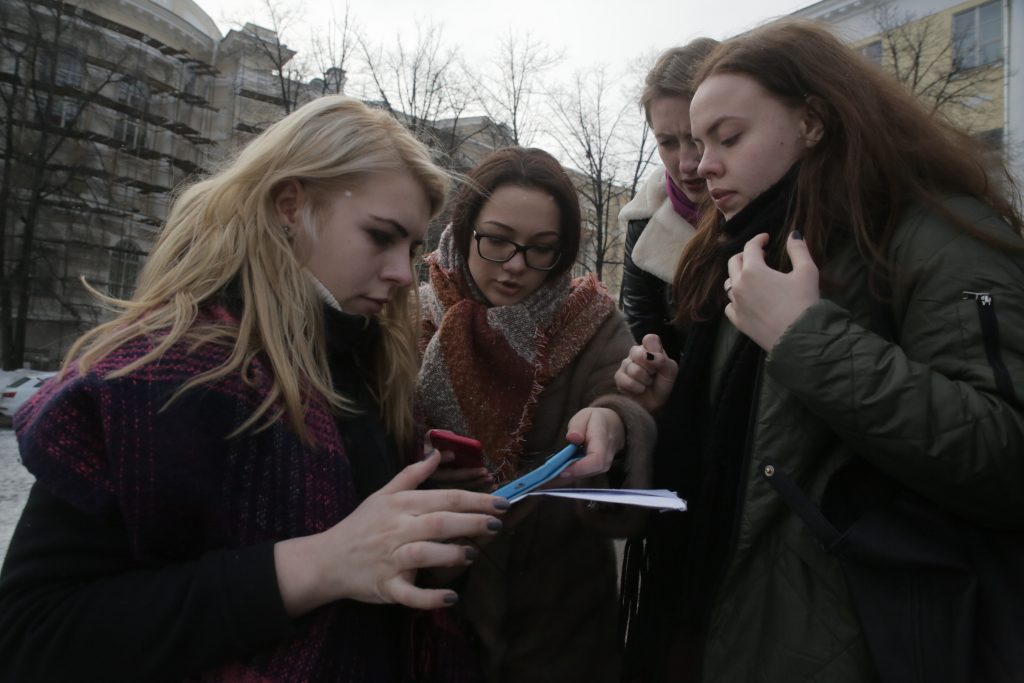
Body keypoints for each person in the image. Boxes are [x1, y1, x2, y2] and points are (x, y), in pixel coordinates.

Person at [0, 95, 511, 682]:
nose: (402, 272)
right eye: (380, 236)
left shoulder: (371, 369)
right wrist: (319, 564)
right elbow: (32, 635)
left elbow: (369, 590)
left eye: (413, 248)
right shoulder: (155, 375)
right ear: (290, 205)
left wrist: (422, 537)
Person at [615, 20, 1024, 682]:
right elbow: (754, 444)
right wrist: (673, 398)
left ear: (811, 122)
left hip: (867, 636)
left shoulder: (938, 232)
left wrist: (805, 337)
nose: (700, 164)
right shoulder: (751, 247)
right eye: (689, 141)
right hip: (723, 620)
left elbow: (1005, 454)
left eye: (727, 137)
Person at [417, 146, 656, 682]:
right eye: (497, 241)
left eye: (542, 248)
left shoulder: (593, 322)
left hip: (560, 624)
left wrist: (613, 422)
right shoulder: (410, 318)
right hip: (430, 614)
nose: (516, 265)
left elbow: (619, 401)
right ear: (464, 230)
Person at [619, 38, 718, 358]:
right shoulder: (642, 224)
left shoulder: (786, 203)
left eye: (697, 138)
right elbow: (644, 339)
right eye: (668, 143)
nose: (687, 163)